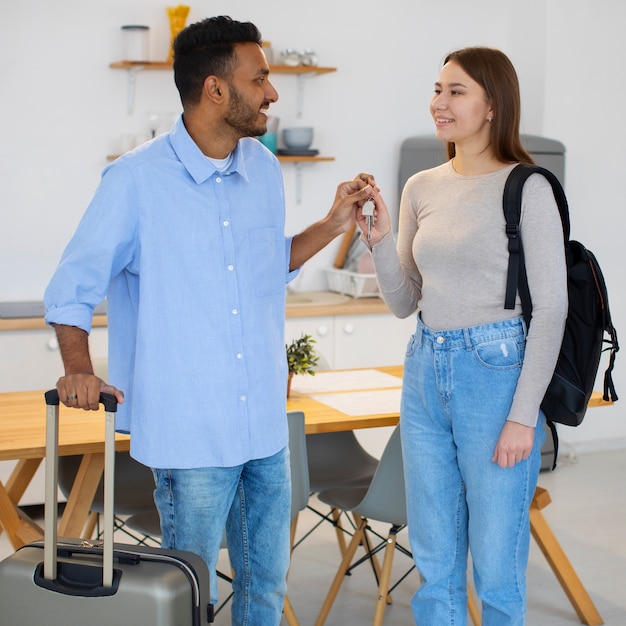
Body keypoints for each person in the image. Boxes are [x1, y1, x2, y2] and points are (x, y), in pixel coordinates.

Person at [44, 15, 374, 625]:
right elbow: (71, 288)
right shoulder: (135, 179)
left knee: (266, 592)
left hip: (265, 430)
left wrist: (332, 225)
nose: (272, 93)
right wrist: (77, 370)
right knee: (191, 601)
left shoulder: (264, 171)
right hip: (190, 437)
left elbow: (265, 265)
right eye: (261, 78)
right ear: (215, 90)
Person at [357, 47, 568, 625]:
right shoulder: (422, 186)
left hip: (496, 373)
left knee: (496, 566)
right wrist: (378, 239)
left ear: (492, 105)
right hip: (426, 365)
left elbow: (550, 309)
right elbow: (405, 302)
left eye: (456, 91)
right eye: (437, 89)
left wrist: (524, 417)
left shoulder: (529, 188)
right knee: (434, 560)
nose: (439, 103)